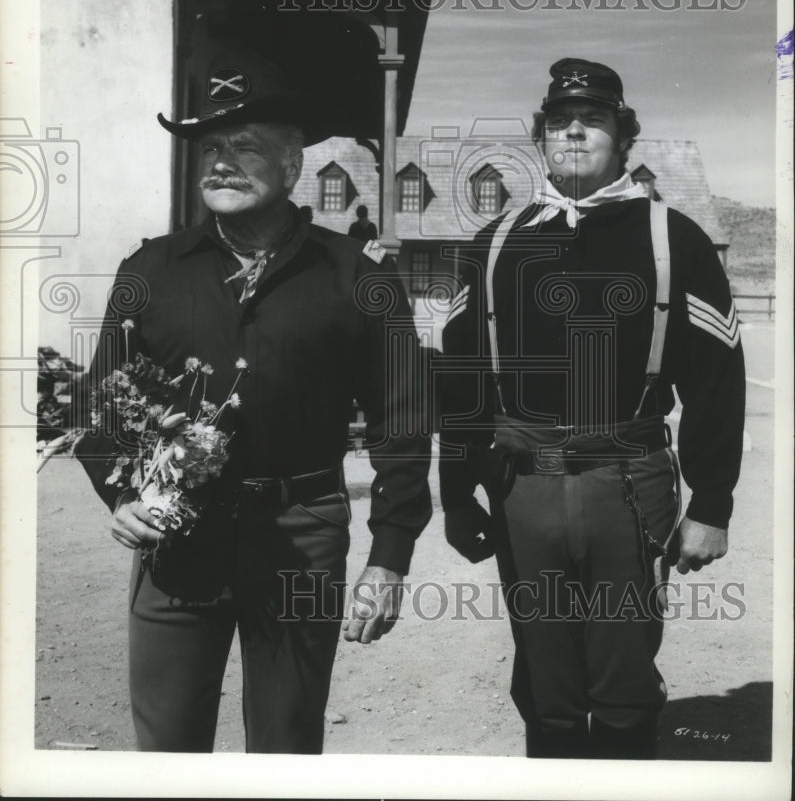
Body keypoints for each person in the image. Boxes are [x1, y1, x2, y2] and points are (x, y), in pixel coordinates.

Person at [74, 49, 431, 754]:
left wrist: (388, 555)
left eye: (244, 146)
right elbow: (98, 401)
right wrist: (121, 492)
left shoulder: (359, 278)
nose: (220, 162)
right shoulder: (150, 269)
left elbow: (402, 421)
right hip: (178, 539)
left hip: (301, 532)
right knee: (167, 747)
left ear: (294, 163)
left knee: (286, 744)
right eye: (210, 146)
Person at [439, 57, 745, 759]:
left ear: (622, 137)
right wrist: (458, 495)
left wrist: (712, 504)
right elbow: (460, 384)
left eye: (594, 121)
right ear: (540, 138)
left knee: (622, 677)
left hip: (626, 487)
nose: (574, 133)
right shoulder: (495, 246)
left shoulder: (673, 239)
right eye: (558, 122)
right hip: (524, 487)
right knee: (544, 683)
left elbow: (717, 382)